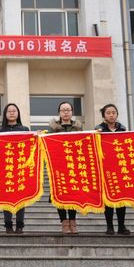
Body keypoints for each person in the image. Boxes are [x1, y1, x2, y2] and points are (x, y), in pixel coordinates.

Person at [95, 103, 131, 236]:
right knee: (108, 200)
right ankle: (109, 226)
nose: (111, 115)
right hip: (106, 169)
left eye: (113, 112)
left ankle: (121, 226)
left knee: (121, 199)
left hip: (120, 168)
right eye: (108, 113)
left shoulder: (123, 129)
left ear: (117, 114)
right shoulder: (98, 130)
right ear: (104, 116)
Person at [48, 101, 82, 235]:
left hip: (73, 165)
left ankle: (73, 221)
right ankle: (64, 222)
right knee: (59, 193)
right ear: (59, 113)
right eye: (63, 110)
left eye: (68, 109)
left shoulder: (78, 128)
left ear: (72, 112)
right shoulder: (52, 128)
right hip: (58, 165)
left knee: (73, 194)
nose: (66, 112)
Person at [0, 103, 29, 234]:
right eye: (9, 111)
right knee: (7, 198)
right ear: (5, 114)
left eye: (14, 111)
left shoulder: (25, 129)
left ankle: (20, 225)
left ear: (18, 113)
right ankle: (8, 225)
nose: (11, 113)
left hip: (20, 167)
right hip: (5, 168)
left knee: (21, 198)